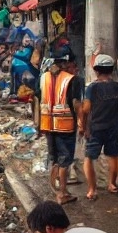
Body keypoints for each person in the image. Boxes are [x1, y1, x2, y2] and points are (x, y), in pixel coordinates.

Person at [36, 51, 82, 204]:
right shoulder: (71, 80)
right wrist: (82, 122)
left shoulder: (43, 78)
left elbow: (36, 101)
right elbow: (76, 103)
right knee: (65, 161)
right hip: (65, 125)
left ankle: (56, 190)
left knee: (54, 158)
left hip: (47, 124)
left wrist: (37, 124)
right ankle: (62, 193)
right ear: (65, 64)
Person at [82, 53, 118, 201]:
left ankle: (92, 190)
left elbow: (86, 109)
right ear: (111, 70)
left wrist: (84, 126)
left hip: (95, 128)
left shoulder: (92, 88)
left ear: (96, 70)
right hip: (113, 127)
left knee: (89, 158)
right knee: (113, 156)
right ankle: (112, 184)